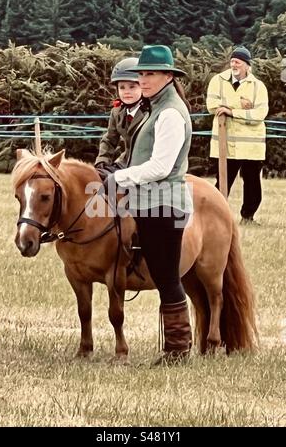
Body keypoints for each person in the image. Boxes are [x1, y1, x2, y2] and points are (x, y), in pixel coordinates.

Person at [103, 45, 193, 364]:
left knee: (167, 277)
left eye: (150, 74)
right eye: (141, 74)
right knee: (162, 272)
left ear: (168, 76)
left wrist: (119, 178)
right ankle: (176, 348)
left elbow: (160, 166)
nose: (144, 79)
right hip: (150, 203)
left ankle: (178, 350)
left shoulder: (168, 112)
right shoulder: (156, 107)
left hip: (164, 205)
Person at [206, 46, 269, 225]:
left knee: (252, 184)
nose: (234, 65)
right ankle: (215, 218)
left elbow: (260, 114)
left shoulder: (259, 86)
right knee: (222, 183)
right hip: (225, 145)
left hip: (251, 146)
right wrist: (243, 105)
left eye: (238, 62)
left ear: (247, 66)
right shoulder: (217, 81)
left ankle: (248, 217)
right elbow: (212, 105)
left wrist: (230, 111)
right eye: (232, 61)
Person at [95, 57, 146, 179]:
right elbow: (109, 139)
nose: (126, 92)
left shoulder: (150, 111)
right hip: (124, 162)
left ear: (142, 87)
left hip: (145, 164)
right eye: (122, 87)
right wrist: (102, 161)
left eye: (132, 87)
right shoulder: (116, 112)